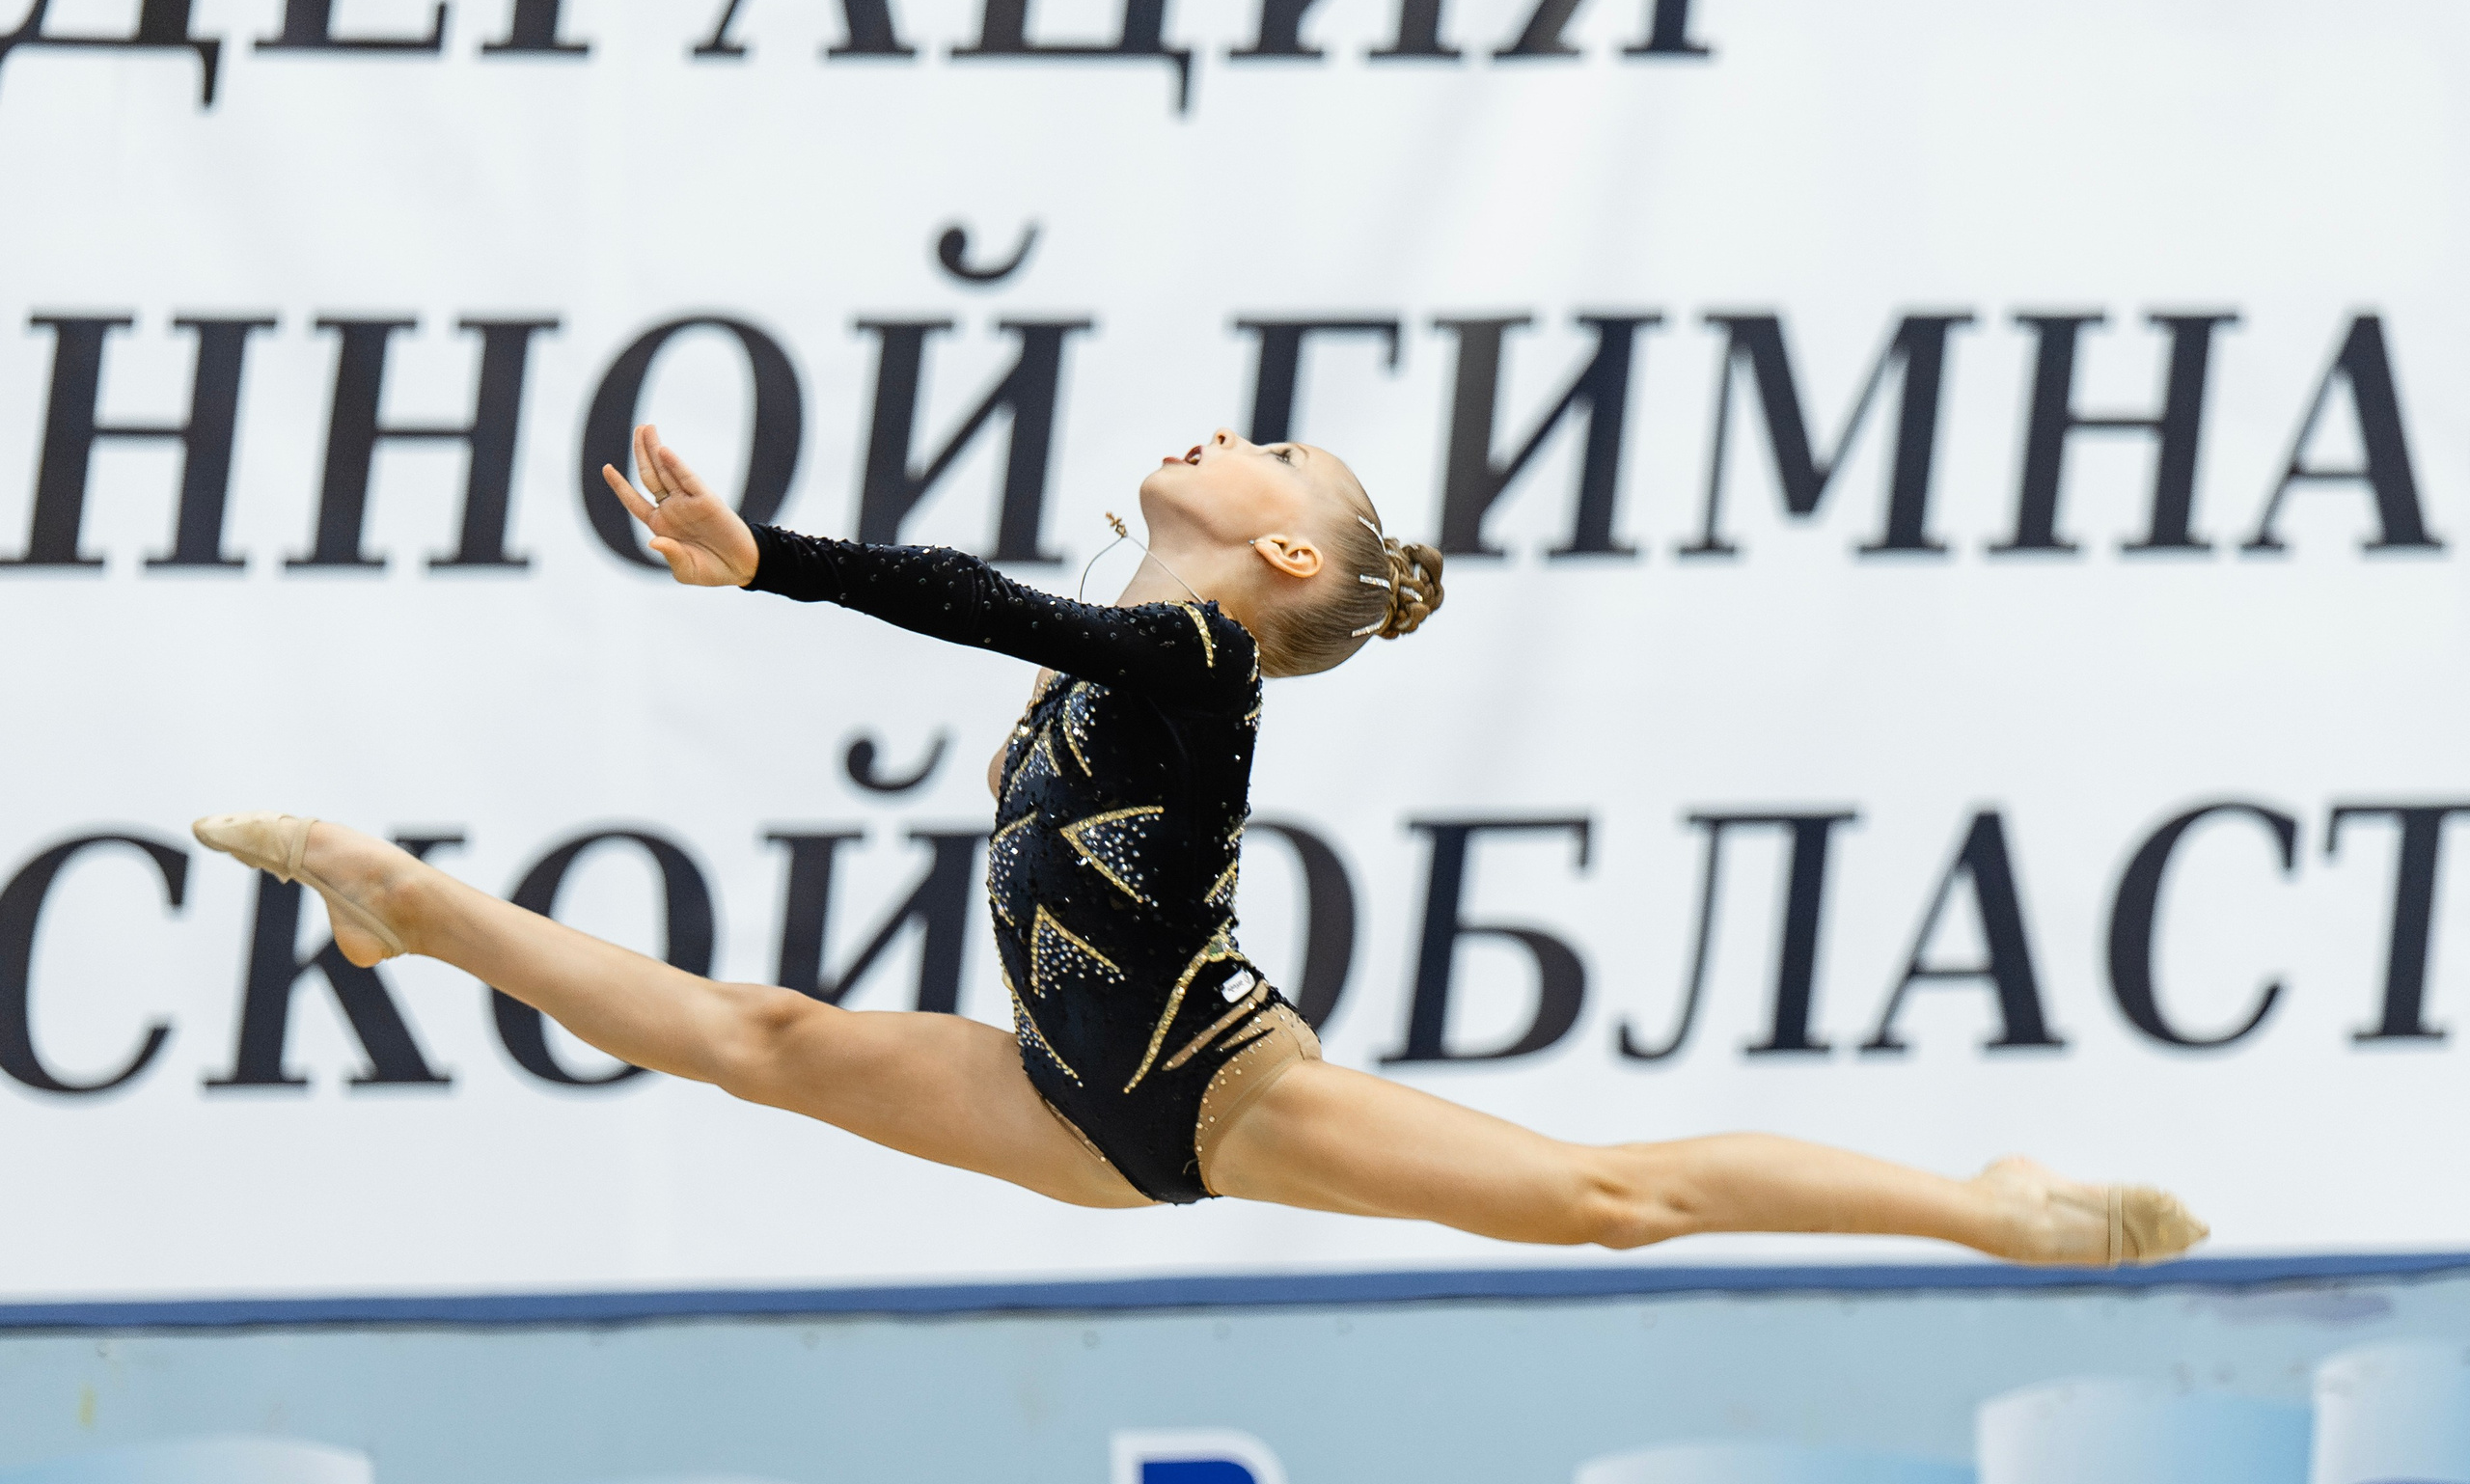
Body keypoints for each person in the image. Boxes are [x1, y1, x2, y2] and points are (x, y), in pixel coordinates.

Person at [194, 424, 2206, 1266]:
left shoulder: (1183, 661)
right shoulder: (1157, 647)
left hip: (1208, 1085)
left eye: (1257, 441)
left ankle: (1989, 1200)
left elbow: (1002, 609)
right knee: (763, 1033)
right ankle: (414, 903)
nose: (1208, 427)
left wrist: (767, 563)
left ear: (1283, 552)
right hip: (1078, 1105)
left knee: (1605, 1198)